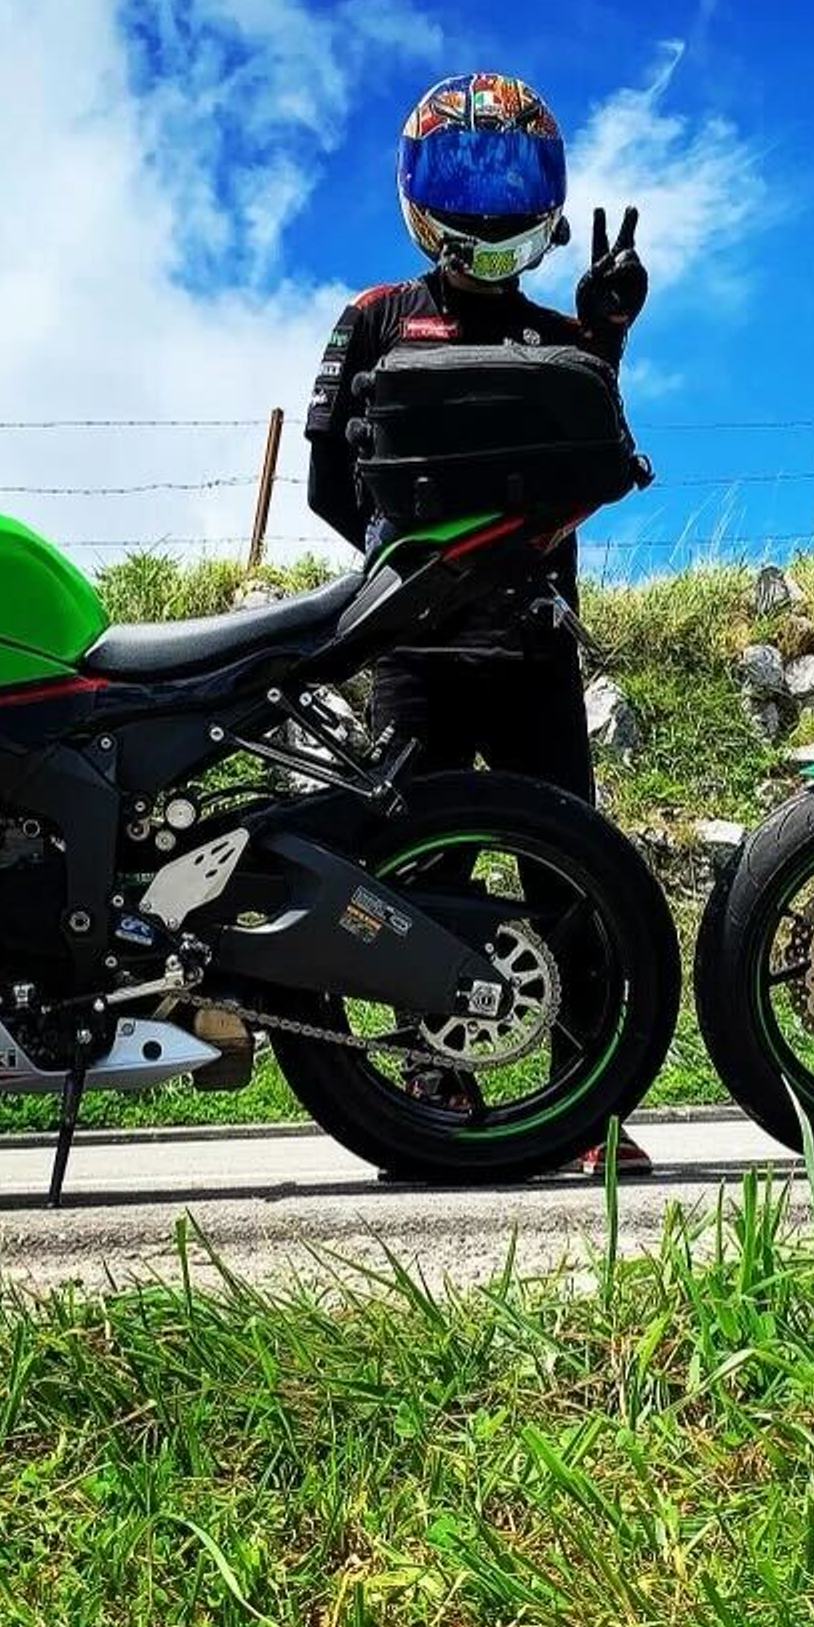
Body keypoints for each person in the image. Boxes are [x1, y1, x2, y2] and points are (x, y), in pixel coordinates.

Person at [305, 72, 655, 1177]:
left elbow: (598, 460)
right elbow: (328, 486)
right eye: (464, 177)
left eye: (508, 178)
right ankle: (430, 1085)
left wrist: (608, 337)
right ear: (419, 192)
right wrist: (424, 571)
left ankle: (587, 1106)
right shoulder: (372, 315)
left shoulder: (565, 335)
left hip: (534, 646)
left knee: (574, 877)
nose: (487, 203)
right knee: (411, 876)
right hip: (410, 650)